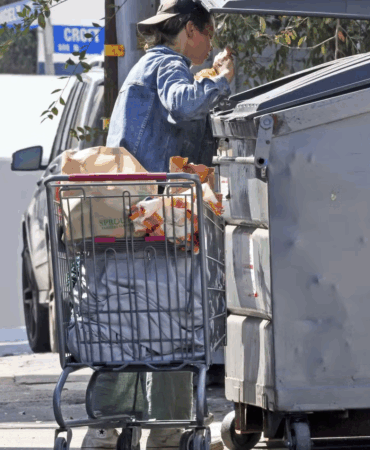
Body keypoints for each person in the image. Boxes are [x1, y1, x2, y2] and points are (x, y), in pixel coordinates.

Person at [81, 0, 234, 448]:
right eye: (209, 34)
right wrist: (221, 80)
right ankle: (159, 432)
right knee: (164, 328)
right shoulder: (166, 63)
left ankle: (115, 430)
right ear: (191, 30)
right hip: (151, 222)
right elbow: (183, 104)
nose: (210, 44)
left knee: (135, 328)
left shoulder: (149, 65)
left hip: (140, 219)